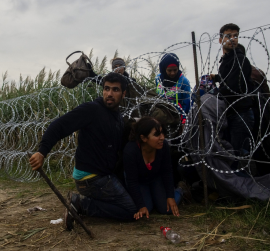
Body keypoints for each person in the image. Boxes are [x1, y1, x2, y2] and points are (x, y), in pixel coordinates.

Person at [29, 72, 137, 230]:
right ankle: (80, 204)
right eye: (106, 89)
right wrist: (42, 152)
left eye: (115, 90)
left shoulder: (118, 117)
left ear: (123, 94)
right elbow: (59, 126)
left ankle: (83, 202)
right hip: (91, 178)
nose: (109, 94)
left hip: (102, 174)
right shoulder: (92, 110)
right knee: (130, 210)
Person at [123, 117, 184, 219]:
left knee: (166, 209)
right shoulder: (130, 151)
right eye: (157, 134)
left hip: (156, 177)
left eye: (162, 133)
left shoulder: (163, 146)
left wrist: (170, 196)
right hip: (139, 181)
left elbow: (167, 171)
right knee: (146, 208)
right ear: (144, 138)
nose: (162, 137)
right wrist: (141, 206)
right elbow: (132, 181)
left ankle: (181, 190)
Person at [210, 23, 254, 158]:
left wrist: (213, 95)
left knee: (237, 155)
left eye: (235, 36)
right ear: (220, 40)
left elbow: (232, 87)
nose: (233, 39)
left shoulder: (239, 59)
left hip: (241, 113)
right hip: (233, 112)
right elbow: (228, 78)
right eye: (228, 36)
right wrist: (216, 77)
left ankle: (241, 179)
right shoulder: (228, 60)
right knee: (234, 151)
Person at [155, 53, 191, 124]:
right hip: (161, 118)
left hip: (177, 119)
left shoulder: (183, 81)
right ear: (164, 69)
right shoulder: (158, 79)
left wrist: (184, 121)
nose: (172, 73)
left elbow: (186, 103)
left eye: (175, 70)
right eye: (169, 70)